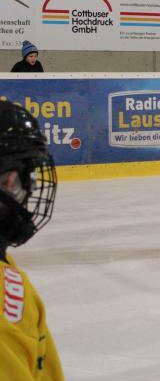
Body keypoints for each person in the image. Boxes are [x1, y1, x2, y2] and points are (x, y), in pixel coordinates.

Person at [0, 100, 63, 379]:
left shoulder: (7, 268)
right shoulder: (6, 299)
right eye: (27, 174)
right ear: (7, 181)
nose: (33, 186)